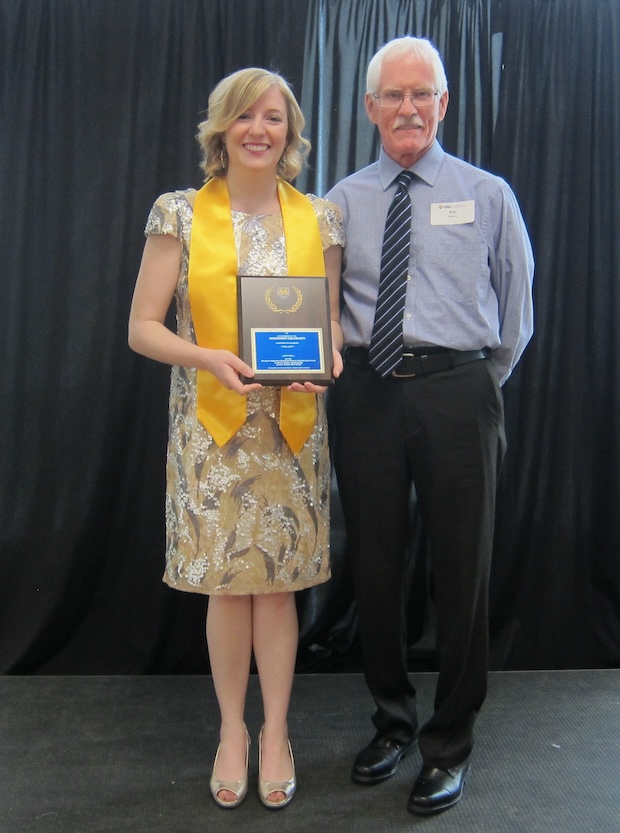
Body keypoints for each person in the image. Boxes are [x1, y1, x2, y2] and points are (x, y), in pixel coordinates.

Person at [326, 36, 534, 815]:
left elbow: (516, 309)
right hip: (368, 395)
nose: (408, 107)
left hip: (458, 390)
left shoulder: (487, 193)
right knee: (374, 566)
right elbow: (320, 303)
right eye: (394, 95)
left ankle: (449, 742)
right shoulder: (341, 200)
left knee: (462, 569)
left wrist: (475, 382)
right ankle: (391, 721)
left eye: (423, 94)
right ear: (371, 107)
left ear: (444, 105)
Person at [128, 67, 344, 811]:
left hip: (290, 430)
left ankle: (276, 730)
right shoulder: (180, 213)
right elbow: (143, 328)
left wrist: (332, 359)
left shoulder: (319, 217)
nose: (260, 128)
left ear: (291, 132)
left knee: (277, 591)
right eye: (246, 116)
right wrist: (206, 356)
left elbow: (330, 323)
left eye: (275, 117)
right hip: (212, 433)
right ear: (221, 127)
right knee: (226, 589)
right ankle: (231, 731)